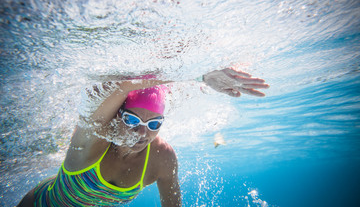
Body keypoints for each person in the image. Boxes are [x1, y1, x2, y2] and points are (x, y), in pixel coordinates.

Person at [17, 68, 269, 207]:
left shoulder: (162, 158)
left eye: (154, 123)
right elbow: (123, 84)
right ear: (117, 116)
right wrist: (201, 75)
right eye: (132, 120)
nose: (142, 133)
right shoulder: (91, 141)